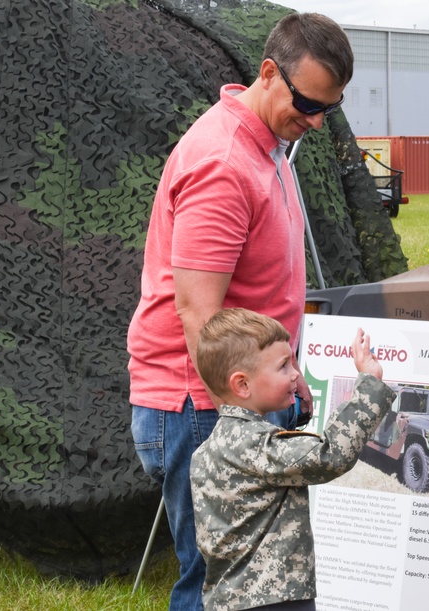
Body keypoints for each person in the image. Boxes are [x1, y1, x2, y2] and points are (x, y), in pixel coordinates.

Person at [126, 13, 353, 609]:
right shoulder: (225, 163)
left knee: (254, 581)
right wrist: (242, 417)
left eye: (327, 108)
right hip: (205, 406)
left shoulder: (268, 142)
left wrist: (282, 376)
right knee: (216, 585)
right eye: (306, 102)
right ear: (269, 72)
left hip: (239, 392)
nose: (314, 120)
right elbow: (199, 315)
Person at [189, 308, 394, 610]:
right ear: (242, 384)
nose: (295, 373)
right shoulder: (256, 444)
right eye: (284, 366)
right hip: (273, 599)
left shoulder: (206, 451)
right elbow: (330, 454)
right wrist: (369, 384)